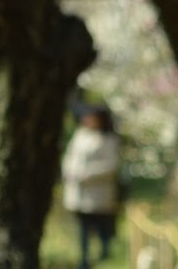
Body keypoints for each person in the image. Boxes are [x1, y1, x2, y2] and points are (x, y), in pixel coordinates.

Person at [61, 103, 122, 269]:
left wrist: (87, 175)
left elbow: (110, 165)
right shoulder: (80, 134)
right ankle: (84, 258)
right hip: (78, 191)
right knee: (82, 226)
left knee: (100, 224)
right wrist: (69, 171)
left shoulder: (109, 139)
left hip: (97, 192)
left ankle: (104, 251)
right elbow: (70, 156)